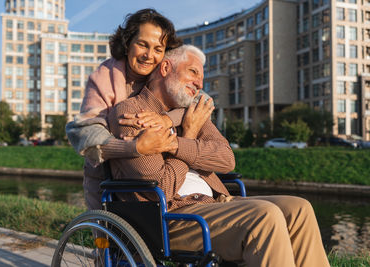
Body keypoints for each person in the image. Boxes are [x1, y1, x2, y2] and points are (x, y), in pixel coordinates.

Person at [108, 44, 330, 267]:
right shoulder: (132, 113)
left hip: (215, 202)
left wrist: (177, 143)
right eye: (193, 72)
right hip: (172, 216)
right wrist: (192, 134)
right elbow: (161, 190)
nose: (199, 84)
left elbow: (226, 159)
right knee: (265, 216)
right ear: (166, 67)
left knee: (299, 209)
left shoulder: (193, 114)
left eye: (202, 78)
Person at [66, 9, 213, 211]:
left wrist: (167, 120)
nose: (149, 56)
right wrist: (134, 147)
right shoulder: (104, 77)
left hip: (162, 172)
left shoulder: (165, 73)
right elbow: (86, 133)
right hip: (109, 175)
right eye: (142, 44)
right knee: (107, 235)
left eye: (158, 49)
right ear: (127, 44)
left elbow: (202, 100)